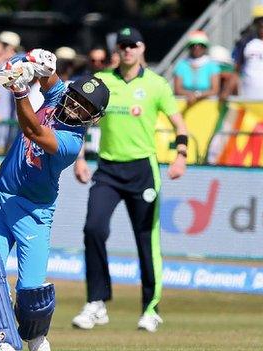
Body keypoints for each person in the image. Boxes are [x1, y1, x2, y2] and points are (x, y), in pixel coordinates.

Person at [0, 49, 110, 351]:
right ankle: (3, 342)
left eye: (86, 107)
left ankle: (35, 334)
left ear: (93, 117)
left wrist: (20, 92)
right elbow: (47, 75)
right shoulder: (58, 96)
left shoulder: (72, 142)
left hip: (33, 212)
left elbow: (31, 128)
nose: (76, 107)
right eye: (76, 98)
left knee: (31, 294)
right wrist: (32, 59)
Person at [71, 27, 188, 333]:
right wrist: (80, 158)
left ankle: (151, 308)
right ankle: (96, 302)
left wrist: (181, 155)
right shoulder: (104, 82)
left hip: (142, 170)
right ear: (117, 50)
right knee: (93, 229)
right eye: (122, 45)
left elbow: (179, 123)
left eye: (132, 45)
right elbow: (81, 119)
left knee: (146, 240)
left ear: (142, 48)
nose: (127, 50)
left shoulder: (156, 84)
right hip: (108, 170)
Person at [173, 31, 220, 108]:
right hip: (184, 106)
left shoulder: (212, 65)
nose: (197, 48)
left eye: (201, 45)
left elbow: (215, 90)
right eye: (193, 45)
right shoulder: (181, 65)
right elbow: (177, 89)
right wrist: (190, 95)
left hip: (208, 107)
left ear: (205, 47)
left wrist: (197, 95)